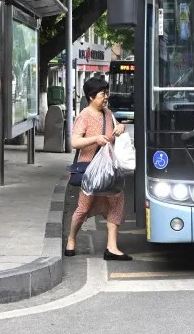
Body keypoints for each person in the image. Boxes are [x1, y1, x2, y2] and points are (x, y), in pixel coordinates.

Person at [65, 77, 131, 261]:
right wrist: (95, 139)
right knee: (83, 208)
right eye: (102, 94)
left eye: (106, 93)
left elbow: (116, 130)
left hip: (108, 169)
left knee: (116, 203)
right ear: (91, 97)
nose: (105, 97)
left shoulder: (108, 113)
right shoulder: (84, 116)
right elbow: (74, 142)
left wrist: (121, 128)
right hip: (90, 171)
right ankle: (71, 239)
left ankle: (112, 247)